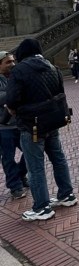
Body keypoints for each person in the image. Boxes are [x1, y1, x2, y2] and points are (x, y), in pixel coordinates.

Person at [5, 39, 77, 221]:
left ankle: (42, 207)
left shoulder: (19, 71)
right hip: (53, 121)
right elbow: (59, 92)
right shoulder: (52, 67)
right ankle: (67, 195)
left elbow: (12, 100)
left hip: (32, 125)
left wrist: (12, 109)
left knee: (35, 167)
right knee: (58, 158)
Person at [0, 51, 28, 199]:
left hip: (20, 124)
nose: (12, 64)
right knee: (8, 158)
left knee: (29, 152)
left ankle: (20, 175)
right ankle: (15, 187)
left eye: (13, 61)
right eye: (8, 62)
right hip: (3, 127)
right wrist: (15, 92)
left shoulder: (16, 76)